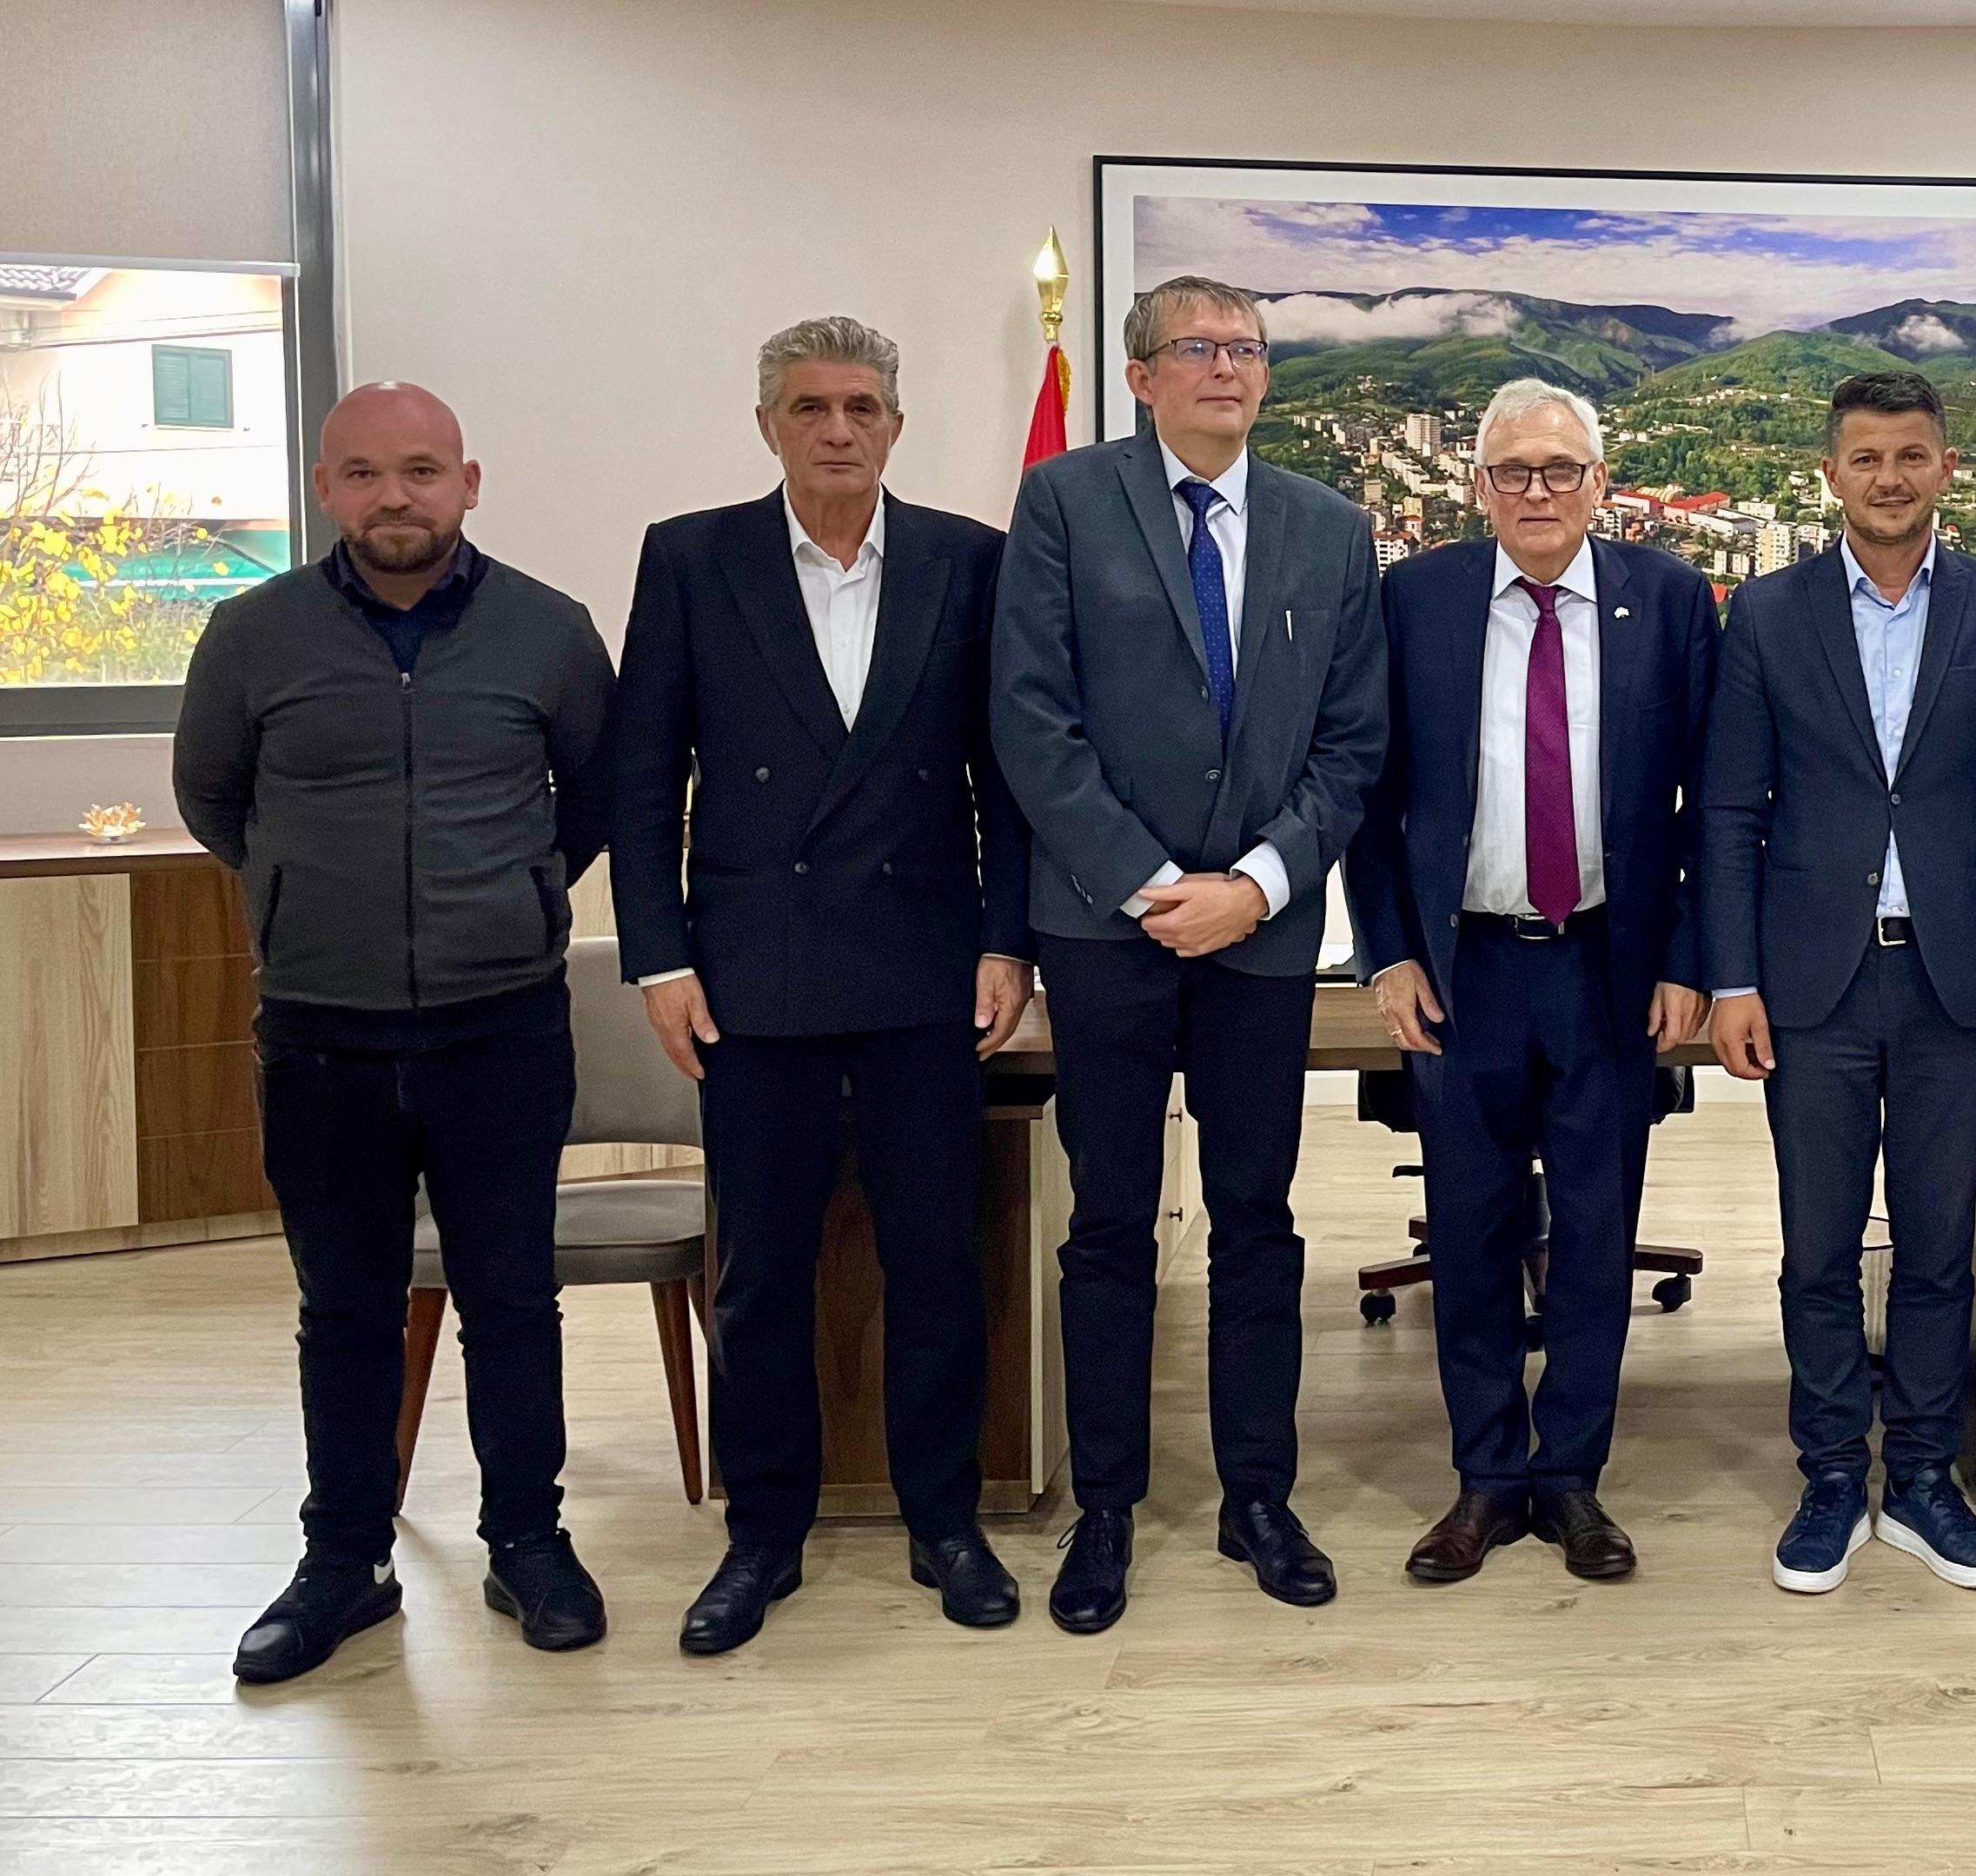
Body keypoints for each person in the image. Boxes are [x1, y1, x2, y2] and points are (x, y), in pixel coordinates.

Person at [174, 381, 616, 1683]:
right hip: (322, 1033)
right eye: (363, 473)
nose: (394, 497)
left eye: (421, 471)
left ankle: (528, 1543)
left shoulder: (548, 630)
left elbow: (593, 800)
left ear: (468, 483)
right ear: (326, 489)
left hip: (501, 1026)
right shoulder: (254, 634)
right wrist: (305, 895)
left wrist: (514, 893)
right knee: (346, 1308)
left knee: (512, 1299)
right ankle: (342, 1565)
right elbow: (213, 797)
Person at [611, 316, 1034, 1654]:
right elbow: (641, 781)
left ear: (896, 425)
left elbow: (1006, 776)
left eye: (860, 407)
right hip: (752, 975)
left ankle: (944, 1522)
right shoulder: (692, 560)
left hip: (924, 967)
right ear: (768, 426)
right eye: (810, 408)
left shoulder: (969, 560)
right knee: (760, 1276)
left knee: (936, 1265)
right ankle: (763, 1536)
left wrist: (1008, 941)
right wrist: (659, 956)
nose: (837, 429)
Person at [991, 274, 1389, 1634]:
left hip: (1262, 936)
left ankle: (1257, 1498)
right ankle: (1106, 1507)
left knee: (1256, 1218)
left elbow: (1354, 742)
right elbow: (1031, 720)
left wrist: (1258, 886)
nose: (1227, 367)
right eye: (1198, 347)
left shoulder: (1332, 528)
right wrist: (1160, 888)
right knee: (1109, 1223)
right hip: (1106, 928)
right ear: (1141, 375)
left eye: (1248, 348)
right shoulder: (1065, 502)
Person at [1701, 369, 1976, 1596]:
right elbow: (1730, 814)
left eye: (1912, 455)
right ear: (1831, 475)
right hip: (1814, 985)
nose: (1890, 478)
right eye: (1866, 457)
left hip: (1958, 987)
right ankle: (1826, 1478)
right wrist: (1732, 979)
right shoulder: (1769, 612)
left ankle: (1919, 1477)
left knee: (1937, 1248)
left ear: (1946, 469)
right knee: (1815, 1248)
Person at [1346, 379, 1719, 1585]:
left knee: (1598, 1231)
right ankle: (1487, 1480)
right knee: (1470, 1227)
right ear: (1479, 487)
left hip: (1610, 961)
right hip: (1466, 967)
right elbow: (1368, 793)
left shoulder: (1669, 599)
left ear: (1600, 483)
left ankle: (1571, 1480)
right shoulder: (1417, 599)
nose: (1539, 490)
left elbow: (1712, 799)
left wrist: (1688, 957)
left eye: (1562, 468)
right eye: (1514, 470)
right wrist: (1389, 951)